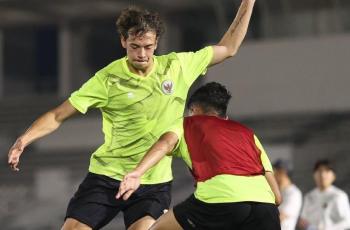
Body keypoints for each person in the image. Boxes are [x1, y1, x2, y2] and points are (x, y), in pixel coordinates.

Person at [7, 1, 257, 230]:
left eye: (148, 47)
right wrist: (24, 139)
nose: (142, 54)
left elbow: (229, 47)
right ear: (123, 42)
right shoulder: (108, 79)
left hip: (153, 182)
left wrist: (248, 1)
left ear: (157, 42)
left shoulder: (178, 66)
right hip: (107, 176)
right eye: (135, 47)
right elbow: (59, 115)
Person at [117, 82, 282, 230]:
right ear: (224, 116)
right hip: (265, 207)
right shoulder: (247, 133)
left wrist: (137, 172)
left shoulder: (187, 123)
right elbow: (277, 197)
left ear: (193, 110)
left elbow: (165, 144)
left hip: (220, 198)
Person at [298, 159, 350, 230]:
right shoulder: (309, 196)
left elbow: (347, 221)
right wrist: (309, 227)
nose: (322, 175)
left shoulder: (339, 196)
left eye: (327, 171)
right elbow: (303, 219)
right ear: (314, 175)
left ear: (333, 176)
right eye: (319, 171)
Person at [273, 159, 302, 230]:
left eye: (275, 171)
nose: (273, 174)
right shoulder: (275, 191)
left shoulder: (294, 193)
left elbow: (280, 217)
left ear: (283, 172)